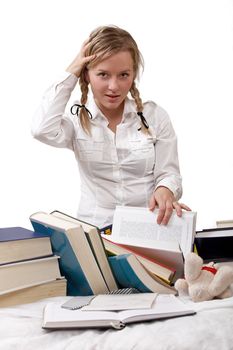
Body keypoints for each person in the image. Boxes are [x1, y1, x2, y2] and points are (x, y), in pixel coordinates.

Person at [31, 25, 190, 229]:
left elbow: (169, 173)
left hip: (150, 227)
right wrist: (71, 72)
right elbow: (41, 129)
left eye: (123, 75)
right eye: (103, 74)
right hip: (95, 231)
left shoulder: (155, 116)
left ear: (133, 75)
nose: (114, 87)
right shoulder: (76, 119)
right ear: (86, 74)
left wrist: (165, 189)